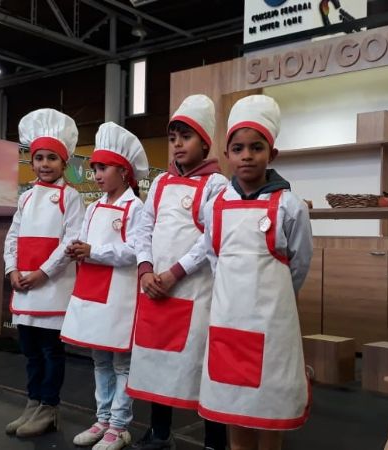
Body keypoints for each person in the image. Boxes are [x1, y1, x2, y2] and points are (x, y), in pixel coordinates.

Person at [198, 95, 313, 450]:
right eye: (238, 148)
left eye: (256, 147)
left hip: (272, 326)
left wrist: (276, 299)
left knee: (270, 407)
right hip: (228, 322)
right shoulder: (215, 206)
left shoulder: (290, 206)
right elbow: (214, 256)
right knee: (233, 404)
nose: (246, 155)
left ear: (271, 154)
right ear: (227, 155)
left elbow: (299, 263)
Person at [128, 95, 229, 450]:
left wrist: (173, 273)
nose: (177, 145)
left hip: (193, 291)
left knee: (201, 367)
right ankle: (160, 432)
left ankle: (215, 441)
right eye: (173, 138)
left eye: (186, 137)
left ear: (205, 143)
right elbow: (143, 229)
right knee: (156, 363)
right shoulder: (160, 183)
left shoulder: (216, 185)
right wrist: (145, 270)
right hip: (155, 289)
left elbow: (210, 238)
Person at [61, 122, 148, 450]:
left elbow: (136, 251)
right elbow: (83, 239)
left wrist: (93, 252)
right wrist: (74, 248)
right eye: (95, 168)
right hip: (92, 289)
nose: (96, 175)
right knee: (99, 360)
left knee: (121, 363)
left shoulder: (135, 208)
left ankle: (119, 425)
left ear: (124, 172)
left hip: (120, 295)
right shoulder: (94, 207)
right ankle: (102, 419)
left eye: (103, 168)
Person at [2, 109, 84, 439]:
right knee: (31, 352)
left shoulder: (71, 197)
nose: (45, 164)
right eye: (39, 158)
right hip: (24, 287)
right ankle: (32, 402)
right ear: (31, 162)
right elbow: (12, 237)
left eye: (52, 158)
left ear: (64, 163)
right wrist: (12, 269)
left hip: (52, 288)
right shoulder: (25, 197)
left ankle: (49, 407)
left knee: (51, 352)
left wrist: (42, 273)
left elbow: (70, 242)